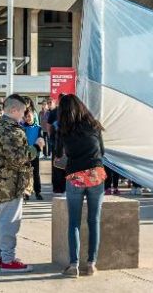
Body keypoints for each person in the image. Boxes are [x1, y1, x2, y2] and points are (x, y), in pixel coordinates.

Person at [0, 94, 35, 273]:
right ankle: (8, 260)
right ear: (13, 110)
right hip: (10, 184)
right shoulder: (13, 130)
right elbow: (19, 158)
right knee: (9, 221)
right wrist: (37, 148)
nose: (24, 115)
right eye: (23, 111)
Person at [55, 94, 107, 278]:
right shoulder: (94, 125)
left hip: (75, 176)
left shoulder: (63, 129)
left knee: (74, 223)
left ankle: (74, 265)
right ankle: (92, 264)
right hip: (95, 175)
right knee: (94, 220)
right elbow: (102, 151)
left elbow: (58, 156)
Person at [21, 107, 45, 201]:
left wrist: (36, 150)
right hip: (25, 155)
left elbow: (41, 140)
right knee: (26, 174)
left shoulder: (38, 128)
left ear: (34, 116)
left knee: (35, 174)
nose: (28, 118)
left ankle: (38, 192)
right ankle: (26, 193)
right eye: (26, 116)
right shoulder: (23, 128)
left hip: (35, 155)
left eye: (30, 116)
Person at [49, 95, 67, 194]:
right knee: (57, 168)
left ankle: (61, 188)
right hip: (58, 148)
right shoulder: (54, 113)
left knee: (62, 169)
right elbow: (51, 134)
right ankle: (57, 188)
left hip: (66, 148)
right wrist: (54, 146)